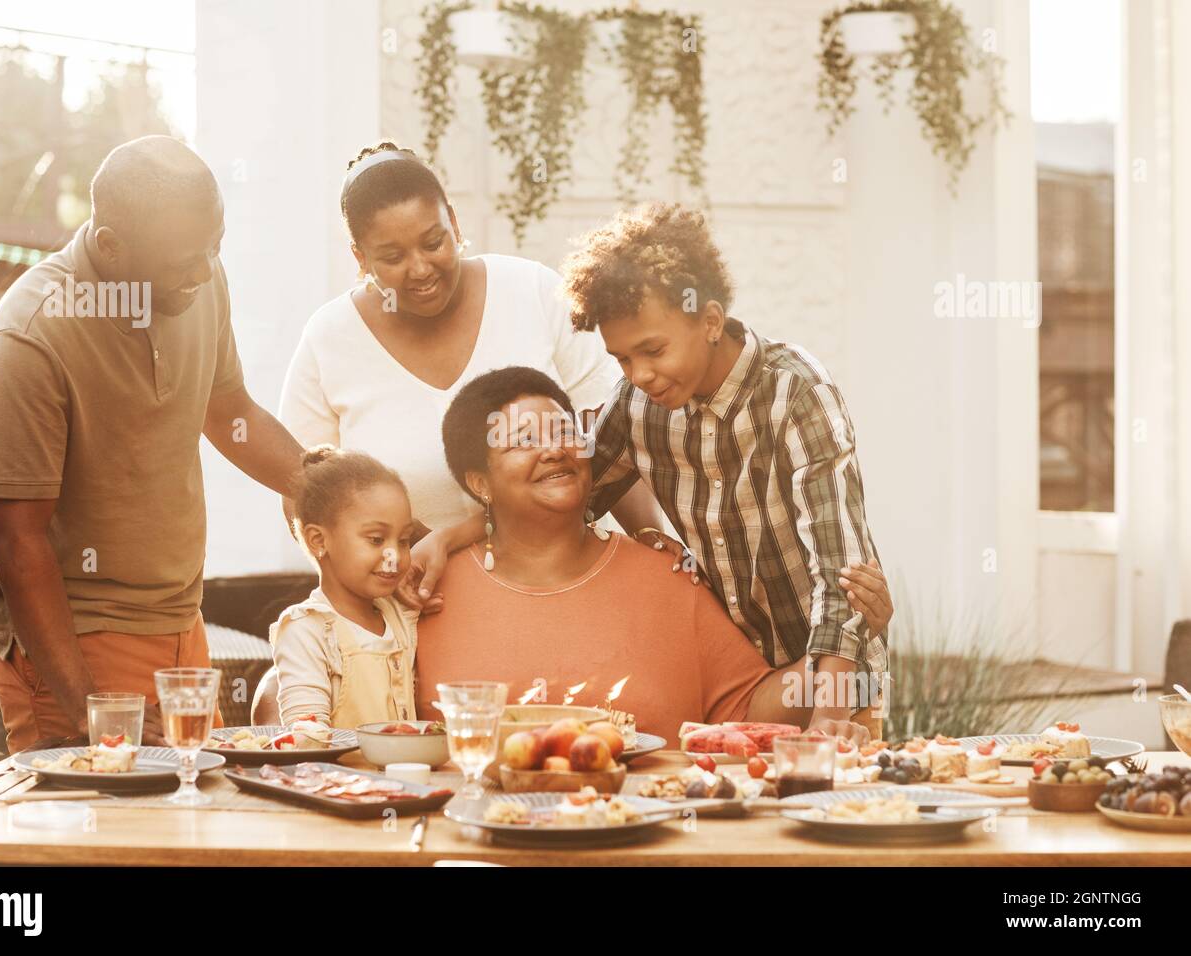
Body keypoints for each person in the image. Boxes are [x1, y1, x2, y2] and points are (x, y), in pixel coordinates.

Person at [0, 136, 304, 752]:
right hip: (76, 640)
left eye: (216, 246)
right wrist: (90, 708)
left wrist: (323, 489)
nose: (206, 271)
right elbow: (18, 540)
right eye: (186, 260)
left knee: (192, 823)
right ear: (109, 247)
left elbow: (228, 410)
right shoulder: (31, 335)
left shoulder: (197, 276)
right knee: (99, 837)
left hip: (180, 620)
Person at [277, 142, 668, 612]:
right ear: (360, 258)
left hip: (560, 592)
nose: (421, 269)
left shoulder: (533, 292)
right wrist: (376, 586)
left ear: (455, 225)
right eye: (392, 256)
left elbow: (610, 438)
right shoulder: (329, 337)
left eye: (433, 242)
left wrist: (651, 538)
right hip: (411, 611)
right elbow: (305, 495)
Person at [408, 367, 891, 739]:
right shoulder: (427, 591)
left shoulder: (667, 578)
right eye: (523, 441)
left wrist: (850, 634)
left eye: (562, 431)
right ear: (479, 483)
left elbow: (748, 708)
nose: (553, 450)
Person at [560, 203, 891, 742]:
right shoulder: (636, 407)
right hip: (725, 686)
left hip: (828, 676)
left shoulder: (796, 393)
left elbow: (842, 573)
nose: (639, 374)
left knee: (819, 816)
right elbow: (561, 501)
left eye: (653, 350)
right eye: (621, 359)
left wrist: (828, 721)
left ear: (709, 321)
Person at [271, 445, 420, 728]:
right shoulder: (308, 629)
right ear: (318, 540)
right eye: (376, 539)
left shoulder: (401, 616)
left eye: (404, 540)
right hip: (334, 773)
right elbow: (306, 738)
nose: (395, 556)